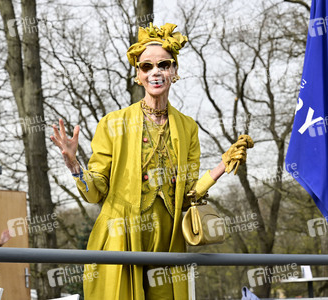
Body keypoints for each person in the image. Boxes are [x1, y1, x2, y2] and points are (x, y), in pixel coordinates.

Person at [51, 22, 253, 299]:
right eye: (146, 66)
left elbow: (187, 194)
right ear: (138, 75)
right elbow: (94, 192)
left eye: (164, 65)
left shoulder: (188, 127)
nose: (155, 72)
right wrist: (74, 165)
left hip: (168, 242)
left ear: (175, 71)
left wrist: (222, 165)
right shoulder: (113, 123)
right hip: (119, 238)